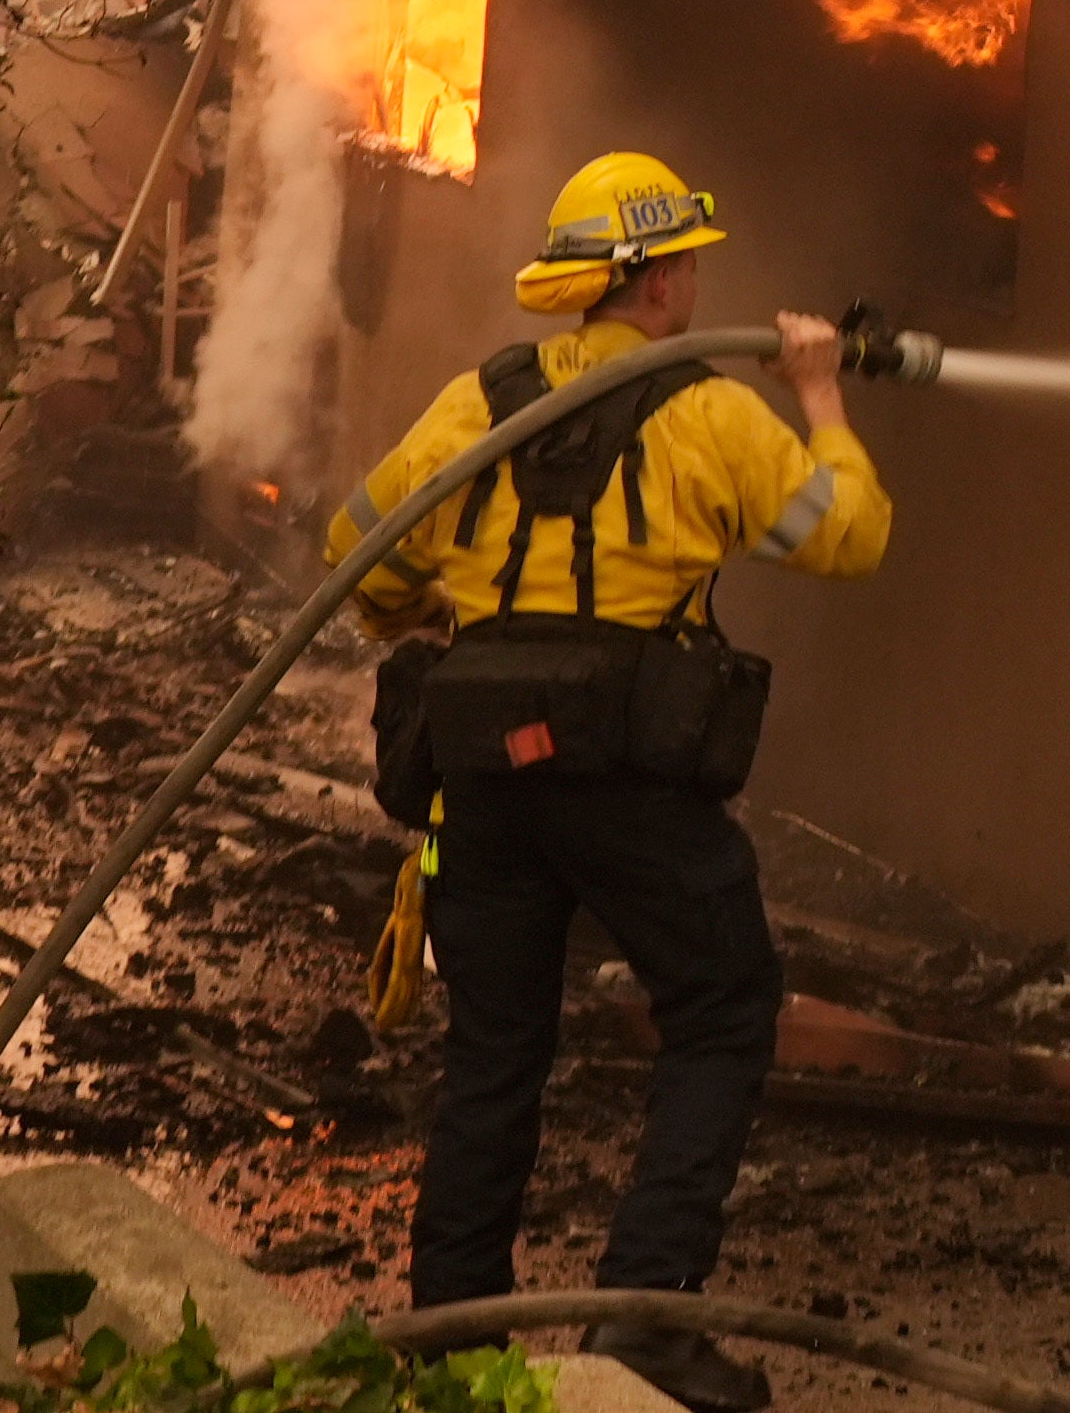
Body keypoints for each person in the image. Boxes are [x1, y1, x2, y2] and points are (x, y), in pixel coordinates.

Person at [339, 152, 891, 1413]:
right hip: (632, 781)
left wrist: (461, 606)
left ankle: (450, 1338)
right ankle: (643, 1318)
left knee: (493, 1050)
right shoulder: (707, 412)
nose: (700, 273)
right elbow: (849, 536)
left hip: (481, 784)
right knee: (723, 1005)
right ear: (661, 277)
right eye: (689, 255)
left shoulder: (474, 406)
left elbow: (356, 557)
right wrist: (820, 393)